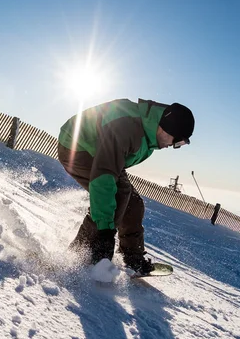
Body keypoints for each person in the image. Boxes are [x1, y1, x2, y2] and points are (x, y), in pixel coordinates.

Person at [57, 98, 194, 274]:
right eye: (178, 142)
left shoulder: (149, 138)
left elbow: (113, 165)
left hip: (103, 153)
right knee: (117, 195)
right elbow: (103, 177)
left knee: (133, 203)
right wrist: (105, 233)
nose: (175, 147)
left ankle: (132, 258)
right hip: (77, 146)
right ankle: (82, 256)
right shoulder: (128, 128)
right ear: (167, 127)